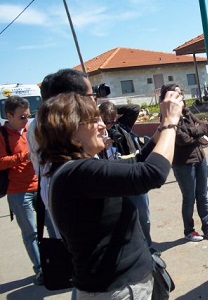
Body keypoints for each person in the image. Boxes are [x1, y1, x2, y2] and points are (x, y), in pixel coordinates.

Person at [35, 91, 182, 298]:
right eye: (93, 120)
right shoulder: (77, 172)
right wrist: (170, 123)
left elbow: (137, 162)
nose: (103, 125)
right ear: (71, 130)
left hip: (119, 285)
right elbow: (152, 174)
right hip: (118, 290)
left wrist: (160, 129)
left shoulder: (75, 169)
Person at [27, 68, 102, 239]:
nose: (94, 99)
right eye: (90, 95)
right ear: (73, 98)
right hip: (73, 198)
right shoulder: (53, 125)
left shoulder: (45, 122)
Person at [162, 84, 208, 242]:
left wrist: (193, 131)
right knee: (189, 197)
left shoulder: (187, 112)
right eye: (175, 95)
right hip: (183, 163)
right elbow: (182, 139)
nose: (179, 97)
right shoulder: (167, 117)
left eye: (180, 94)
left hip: (200, 158)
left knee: (203, 196)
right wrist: (195, 133)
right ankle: (189, 230)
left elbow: (203, 127)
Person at [98, 101, 156, 252]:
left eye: (112, 120)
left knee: (144, 217)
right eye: (106, 121)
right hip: (116, 182)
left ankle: (148, 247)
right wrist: (104, 145)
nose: (110, 125)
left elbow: (135, 108)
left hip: (134, 176)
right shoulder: (97, 135)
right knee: (123, 220)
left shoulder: (122, 125)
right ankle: (132, 250)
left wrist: (112, 108)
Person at [0, 95, 42, 284]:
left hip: (40, 186)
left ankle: (57, 263)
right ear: (9, 115)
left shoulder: (31, 130)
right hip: (18, 192)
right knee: (31, 233)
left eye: (29, 115)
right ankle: (41, 269)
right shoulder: (1, 135)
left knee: (53, 226)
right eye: (22, 116)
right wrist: (23, 157)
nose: (27, 120)